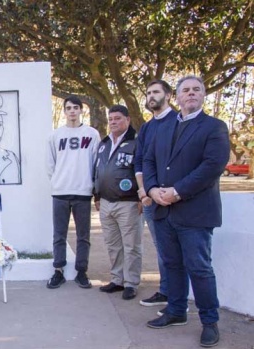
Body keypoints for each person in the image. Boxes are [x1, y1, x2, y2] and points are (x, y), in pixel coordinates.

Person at [144, 75, 229, 348]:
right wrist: (153, 189)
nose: (191, 94)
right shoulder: (163, 128)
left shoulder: (214, 127)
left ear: (203, 95)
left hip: (195, 213)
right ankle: (176, 311)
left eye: (196, 90)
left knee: (199, 268)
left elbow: (212, 166)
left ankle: (209, 322)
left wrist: (177, 191)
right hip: (163, 211)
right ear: (177, 97)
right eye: (186, 90)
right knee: (172, 265)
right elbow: (149, 160)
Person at [46, 96, 100, 289]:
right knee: (59, 234)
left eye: (75, 108)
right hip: (60, 191)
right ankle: (58, 271)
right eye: (68, 108)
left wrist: (91, 185)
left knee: (83, 235)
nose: (72, 111)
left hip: (83, 192)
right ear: (64, 111)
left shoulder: (92, 134)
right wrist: (57, 181)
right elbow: (50, 163)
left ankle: (82, 271)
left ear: (81, 111)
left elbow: (96, 162)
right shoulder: (55, 135)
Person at [134, 80, 179, 311]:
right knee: (162, 248)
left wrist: (171, 191)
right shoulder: (147, 128)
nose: (151, 96)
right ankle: (166, 292)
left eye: (156, 92)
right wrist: (144, 192)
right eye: (149, 93)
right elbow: (140, 161)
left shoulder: (179, 122)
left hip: (176, 198)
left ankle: (178, 297)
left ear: (169, 95)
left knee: (178, 251)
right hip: (152, 199)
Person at [94, 105, 142, 301]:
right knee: (113, 244)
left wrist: (141, 197)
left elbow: (142, 170)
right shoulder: (104, 144)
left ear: (127, 120)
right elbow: (96, 171)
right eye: (111, 119)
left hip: (128, 202)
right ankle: (117, 279)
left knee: (131, 245)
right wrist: (96, 195)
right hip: (105, 202)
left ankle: (131, 283)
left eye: (118, 118)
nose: (113, 122)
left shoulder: (136, 143)